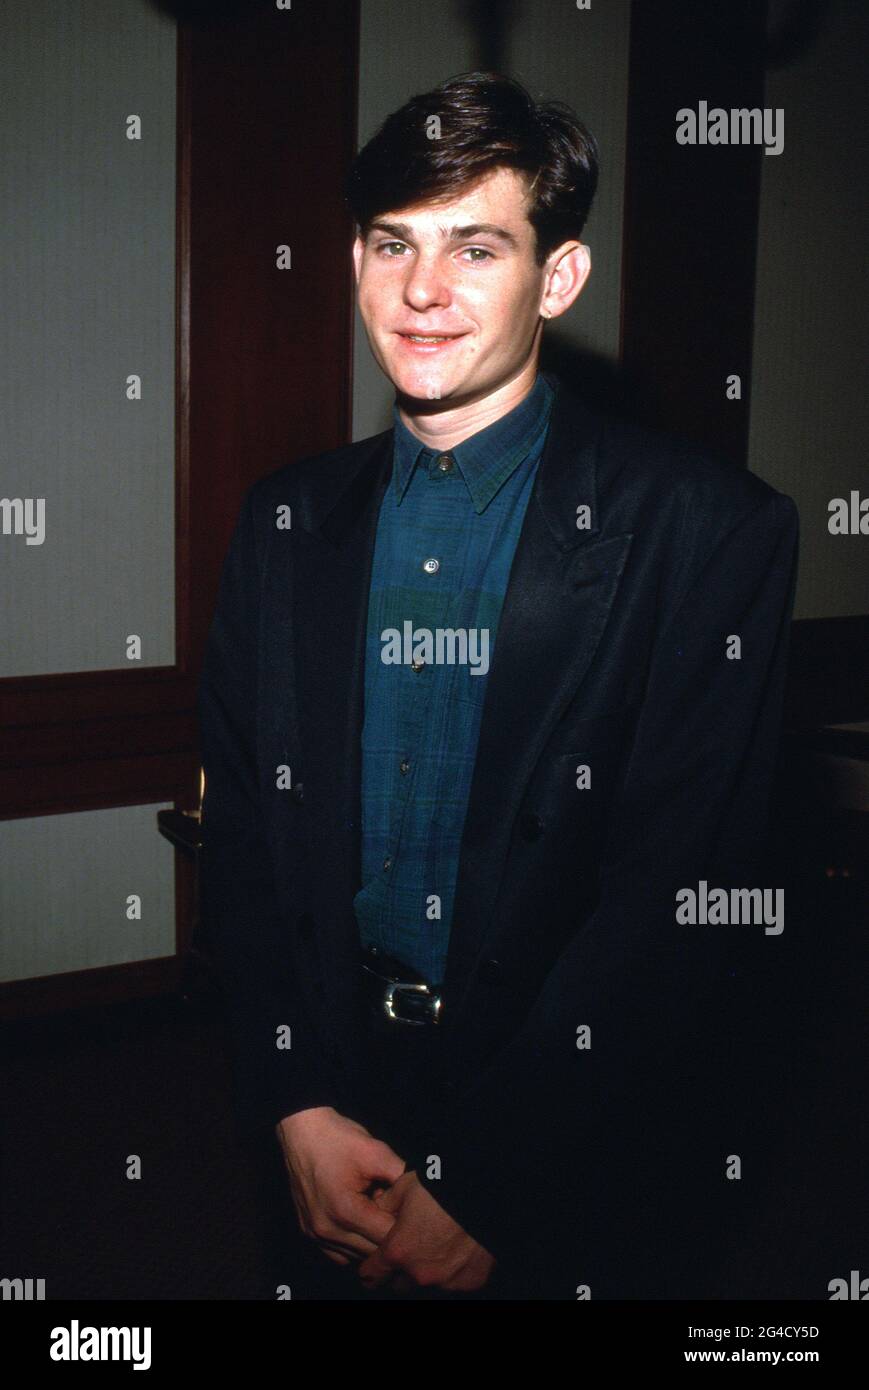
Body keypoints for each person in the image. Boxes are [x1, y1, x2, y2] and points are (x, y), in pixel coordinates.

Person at [198, 72, 799, 1300]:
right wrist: (295, 1102)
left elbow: (677, 903)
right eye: (391, 244)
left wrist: (478, 1180)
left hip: (570, 1122)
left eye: (475, 247)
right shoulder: (281, 519)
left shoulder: (705, 528)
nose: (422, 292)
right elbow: (246, 843)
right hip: (330, 1084)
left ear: (557, 277)